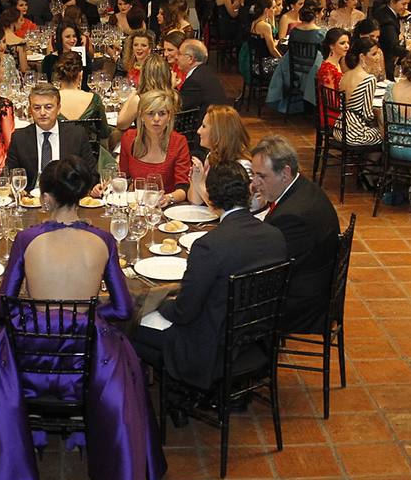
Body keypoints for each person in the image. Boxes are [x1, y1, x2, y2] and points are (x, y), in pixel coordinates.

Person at [0, 154, 165, 480]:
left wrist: (37, 309)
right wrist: (87, 316)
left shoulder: (26, 238)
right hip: (88, 363)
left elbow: (4, 305)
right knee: (126, 362)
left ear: (47, 198)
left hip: (29, 358)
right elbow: (125, 307)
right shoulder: (104, 240)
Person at [132, 161, 287, 390]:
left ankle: (156, 397)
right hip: (257, 339)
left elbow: (184, 312)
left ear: (211, 200)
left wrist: (158, 305)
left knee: (128, 328)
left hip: (212, 349)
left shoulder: (209, 246)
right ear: (248, 192)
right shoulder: (275, 236)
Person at [248, 136, 340, 333]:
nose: (255, 184)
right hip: (312, 284)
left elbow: (269, 268)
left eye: (261, 176)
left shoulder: (293, 216)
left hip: (301, 305)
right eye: (254, 175)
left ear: (285, 172)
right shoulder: (302, 188)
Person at [5, 84, 90, 190]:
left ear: (58, 108)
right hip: (31, 198)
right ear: (30, 110)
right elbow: (10, 174)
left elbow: (91, 173)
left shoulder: (77, 135)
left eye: (48, 107)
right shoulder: (19, 138)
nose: (42, 112)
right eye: (36, 108)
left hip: (67, 197)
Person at [117, 89, 191, 203]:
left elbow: (183, 188)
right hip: (137, 205)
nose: (156, 119)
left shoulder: (179, 142)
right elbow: (124, 178)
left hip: (168, 208)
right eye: (151, 113)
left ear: (169, 116)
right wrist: (109, 186)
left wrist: (168, 198)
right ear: (141, 115)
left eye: (162, 113)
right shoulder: (129, 138)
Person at [187, 105, 249, 207]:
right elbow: (195, 202)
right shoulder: (211, 156)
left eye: (204, 126)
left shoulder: (242, 167)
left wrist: (199, 183)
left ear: (218, 132)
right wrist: (196, 179)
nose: (198, 131)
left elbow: (226, 209)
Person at [338, 37, 384, 148]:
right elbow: (367, 115)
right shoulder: (369, 79)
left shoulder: (345, 75)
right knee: (388, 135)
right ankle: (373, 164)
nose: (377, 58)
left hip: (340, 128)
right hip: (355, 133)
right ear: (362, 57)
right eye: (374, 54)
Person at [174, 40, 229, 114]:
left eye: (179, 54)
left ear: (190, 59)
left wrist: (172, 87)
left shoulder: (194, 81)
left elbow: (178, 107)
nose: (176, 57)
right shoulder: (206, 71)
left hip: (210, 123)